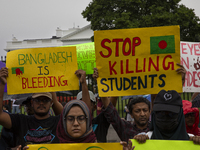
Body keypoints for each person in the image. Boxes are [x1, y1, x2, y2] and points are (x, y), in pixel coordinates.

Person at [0, 67, 63, 148]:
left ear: (51, 103)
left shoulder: (57, 122)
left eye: (45, 100)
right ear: (32, 102)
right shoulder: (21, 121)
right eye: (37, 100)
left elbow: (83, 116)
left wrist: (50, 80)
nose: (41, 103)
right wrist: (2, 83)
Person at [133, 90, 200, 145]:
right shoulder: (144, 139)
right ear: (154, 114)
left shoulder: (193, 141)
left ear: (180, 116)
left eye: (172, 114)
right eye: (161, 113)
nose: (166, 116)